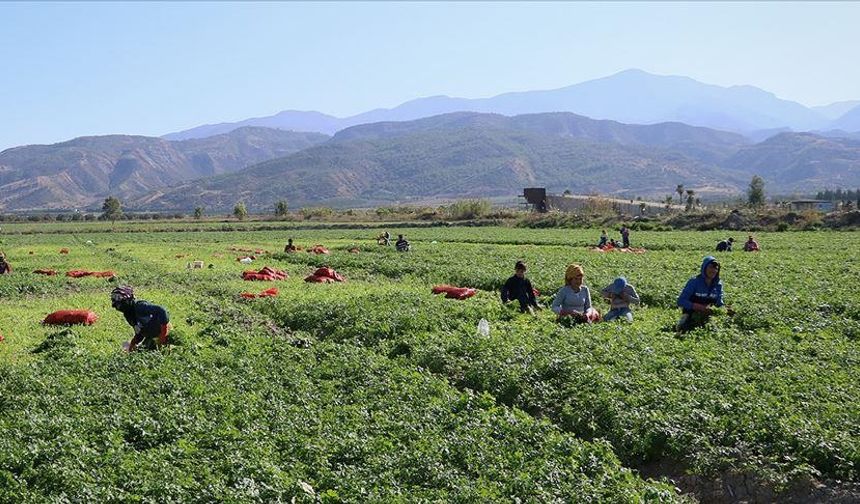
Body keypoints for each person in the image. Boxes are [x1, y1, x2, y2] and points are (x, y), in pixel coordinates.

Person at [676, 256, 732, 332]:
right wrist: (700, 307)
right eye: (710, 267)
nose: (713, 270)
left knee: (713, 329)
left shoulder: (718, 285)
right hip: (691, 312)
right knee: (685, 328)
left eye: (716, 268)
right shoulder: (694, 282)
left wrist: (724, 309)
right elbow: (681, 301)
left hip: (708, 314)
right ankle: (684, 321)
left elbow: (719, 302)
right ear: (704, 268)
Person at [111, 286, 171, 352]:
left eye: (119, 298)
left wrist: (163, 335)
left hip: (164, 334)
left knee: (165, 352)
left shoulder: (140, 306)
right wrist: (132, 344)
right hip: (151, 337)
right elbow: (139, 332)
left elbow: (162, 311)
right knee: (140, 351)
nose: (115, 304)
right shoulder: (128, 314)